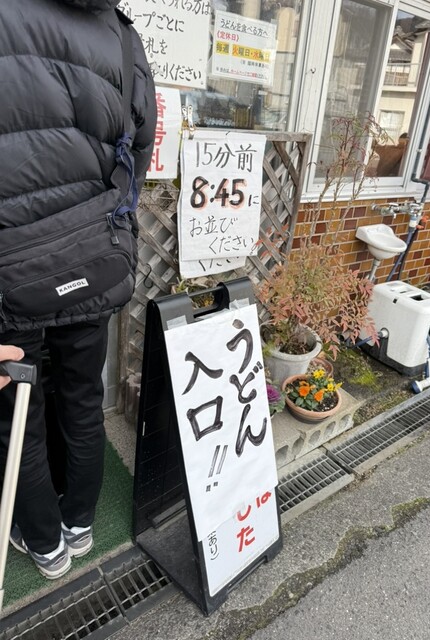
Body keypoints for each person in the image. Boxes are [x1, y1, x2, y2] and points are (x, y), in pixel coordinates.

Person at [0, 0, 156, 580]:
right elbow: (139, 146)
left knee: (18, 414)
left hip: (10, 272)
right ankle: (81, 523)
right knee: (83, 397)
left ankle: (45, 544)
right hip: (95, 258)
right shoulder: (120, 33)